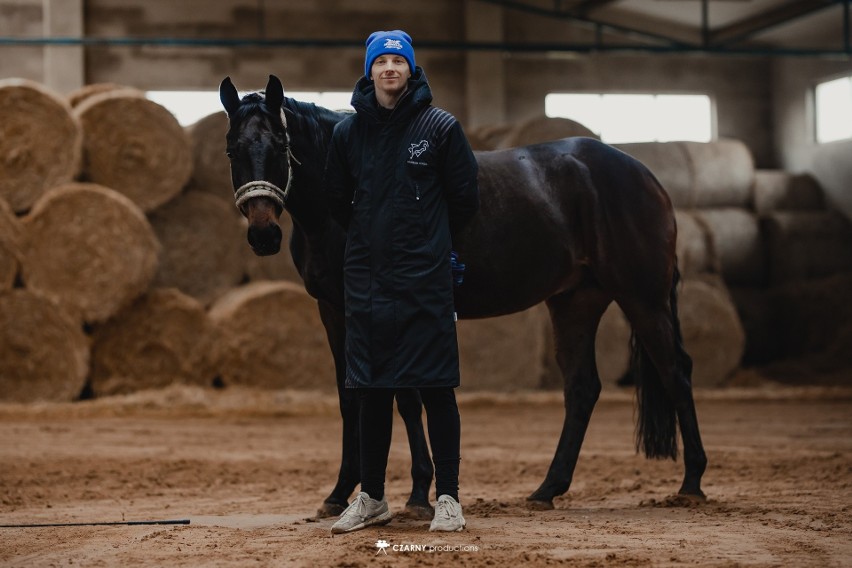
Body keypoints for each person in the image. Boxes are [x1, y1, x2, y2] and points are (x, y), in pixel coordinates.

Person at [323, 29, 480, 534]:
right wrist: (372, 242)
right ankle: (371, 498)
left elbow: (465, 201)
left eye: (398, 60)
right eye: (381, 61)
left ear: (411, 69)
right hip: (367, 282)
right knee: (371, 390)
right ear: (368, 71)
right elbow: (335, 201)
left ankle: (449, 498)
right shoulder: (347, 135)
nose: (390, 68)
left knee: (436, 387)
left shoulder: (440, 127)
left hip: (424, 280)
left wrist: (428, 246)